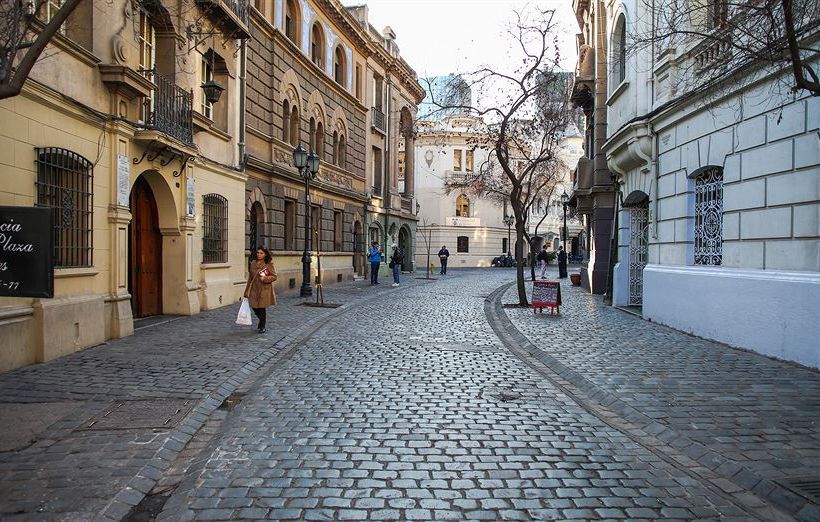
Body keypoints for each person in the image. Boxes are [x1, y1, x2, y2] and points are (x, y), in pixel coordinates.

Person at [243, 246, 277, 333]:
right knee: (254, 307)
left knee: (261, 307)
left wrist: (265, 279)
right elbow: (250, 278)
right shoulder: (253, 263)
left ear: (265, 254)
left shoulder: (269, 264)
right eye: (258, 253)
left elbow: (274, 276)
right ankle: (261, 321)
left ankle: (262, 326)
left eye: (261, 253)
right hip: (254, 288)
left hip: (264, 289)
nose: (259, 254)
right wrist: (247, 290)